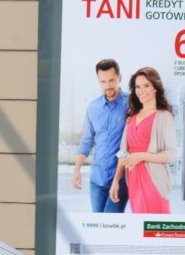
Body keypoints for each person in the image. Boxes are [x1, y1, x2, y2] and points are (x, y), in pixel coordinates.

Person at [110, 67, 177, 215]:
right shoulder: (131, 117)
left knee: (154, 229)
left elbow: (172, 155)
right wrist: (116, 180)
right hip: (133, 180)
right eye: (137, 87)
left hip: (154, 180)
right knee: (139, 227)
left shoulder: (164, 116)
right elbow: (123, 152)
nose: (141, 90)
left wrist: (140, 156)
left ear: (155, 88)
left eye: (146, 85)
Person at [71, 58, 129, 213]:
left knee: (110, 225)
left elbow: (130, 144)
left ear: (119, 78)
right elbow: (87, 141)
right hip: (97, 179)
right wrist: (76, 170)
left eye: (111, 80)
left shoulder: (131, 104)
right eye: (103, 82)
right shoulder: (93, 107)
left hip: (121, 179)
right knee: (97, 226)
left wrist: (118, 178)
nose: (107, 86)